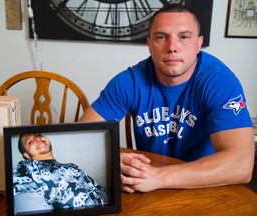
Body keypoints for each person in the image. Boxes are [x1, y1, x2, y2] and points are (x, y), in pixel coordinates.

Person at [79, 4, 255, 193]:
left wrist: (159, 177)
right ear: (149, 44)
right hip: (148, 186)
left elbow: (241, 166)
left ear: (198, 44)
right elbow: (81, 138)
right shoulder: (129, 81)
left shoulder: (219, 82)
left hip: (206, 184)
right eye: (161, 37)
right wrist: (112, 161)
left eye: (184, 37)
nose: (172, 47)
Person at [13, 133, 107, 212]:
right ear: (26, 155)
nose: (38, 138)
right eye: (30, 141)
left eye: (38, 135)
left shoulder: (72, 166)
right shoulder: (25, 168)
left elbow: (100, 192)